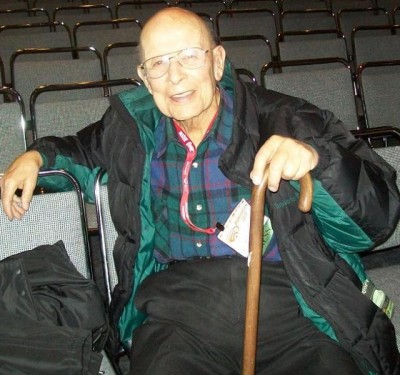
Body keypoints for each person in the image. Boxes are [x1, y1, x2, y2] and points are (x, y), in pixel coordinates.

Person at [1, 7, 399, 375]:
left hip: (293, 306)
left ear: (218, 61)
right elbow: (82, 150)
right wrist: (36, 157)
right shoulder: (132, 127)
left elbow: (377, 218)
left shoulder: (285, 118)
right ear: (144, 77)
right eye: (158, 64)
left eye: (189, 56)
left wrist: (317, 159)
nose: (174, 76)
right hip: (178, 318)